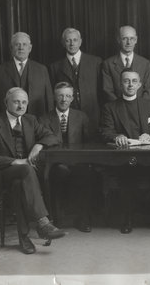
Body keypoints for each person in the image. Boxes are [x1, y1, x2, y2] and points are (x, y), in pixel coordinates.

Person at [0, 88, 65, 255]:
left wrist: (38, 145)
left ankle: (24, 237)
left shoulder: (30, 120)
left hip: (23, 177)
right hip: (1, 174)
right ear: (6, 102)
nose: (20, 106)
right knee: (25, 169)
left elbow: (53, 137)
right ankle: (43, 222)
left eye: (24, 102)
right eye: (16, 101)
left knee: (20, 183)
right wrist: (15, 161)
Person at [100, 69, 150, 234]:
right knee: (127, 176)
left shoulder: (148, 105)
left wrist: (149, 136)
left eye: (134, 81)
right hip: (123, 158)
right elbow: (104, 132)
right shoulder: (110, 107)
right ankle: (127, 219)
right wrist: (117, 137)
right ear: (120, 83)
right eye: (126, 81)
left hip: (148, 157)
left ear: (139, 84)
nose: (130, 84)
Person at [40, 82, 95, 232]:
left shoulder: (81, 116)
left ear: (72, 98)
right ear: (54, 97)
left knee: (85, 173)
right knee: (59, 172)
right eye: (60, 96)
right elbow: (43, 141)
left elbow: (89, 142)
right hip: (55, 163)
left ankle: (82, 219)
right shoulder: (44, 119)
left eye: (68, 96)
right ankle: (58, 219)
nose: (64, 99)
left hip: (78, 162)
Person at [49, 28, 103, 140]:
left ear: (80, 41)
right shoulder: (55, 67)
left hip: (92, 114)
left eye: (75, 40)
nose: (72, 43)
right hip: (69, 117)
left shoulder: (95, 62)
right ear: (63, 43)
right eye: (68, 40)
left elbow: (101, 91)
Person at [0, 32, 53, 118]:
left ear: (30, 48)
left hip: (36, 123)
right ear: (11, 48)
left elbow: (49, 101)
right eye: (17, 44)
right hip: (6, 124)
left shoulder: (42, 70)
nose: (21, 48)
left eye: (24, 44)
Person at [102, 25, 150, 102]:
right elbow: (108, 91)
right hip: (117, 110)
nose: (129, 42)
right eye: (125, 38)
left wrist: (140, 108)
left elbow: (148, 90)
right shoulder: (108, 64)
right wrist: (121, 108)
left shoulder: (145, 63)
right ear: (118, 40)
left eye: (132, 39)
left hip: (140, 110)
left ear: (136, 40)